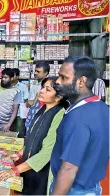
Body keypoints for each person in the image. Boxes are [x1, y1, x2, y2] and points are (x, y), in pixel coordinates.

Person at [50, 56, 109, 195]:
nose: (57, 82)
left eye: (63, 78)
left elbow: (69, 169)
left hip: (72, 190)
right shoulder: (103, 108)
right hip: (93, 188)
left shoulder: (78, 117)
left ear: (81, 81)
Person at [0, 77, 66, 195]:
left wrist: (15, 170)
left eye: (48, 90)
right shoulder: (42, 109)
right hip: (30, 167)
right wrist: (21, 153)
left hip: (43, 171)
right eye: (43, 87)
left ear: (59, 97)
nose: (42, 91)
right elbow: (32, 138)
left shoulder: (59, 114)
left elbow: (47, 152)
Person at [25, 62, 50, 133]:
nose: (35, 73)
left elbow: (37, 102)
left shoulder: (46, 86)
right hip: (31, 114)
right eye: (35, 71)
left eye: (38, 71)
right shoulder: (35, 82)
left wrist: (30, 102)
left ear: (45, 73)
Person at [11, 68, 29, 138]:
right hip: (8, 113)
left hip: (19, 113)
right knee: (8, 131)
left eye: (13, 75)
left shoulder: (23, 87)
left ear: (18, 76)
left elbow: (26, 99)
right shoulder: (7, 86)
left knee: (19, 131)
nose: (11, 77)